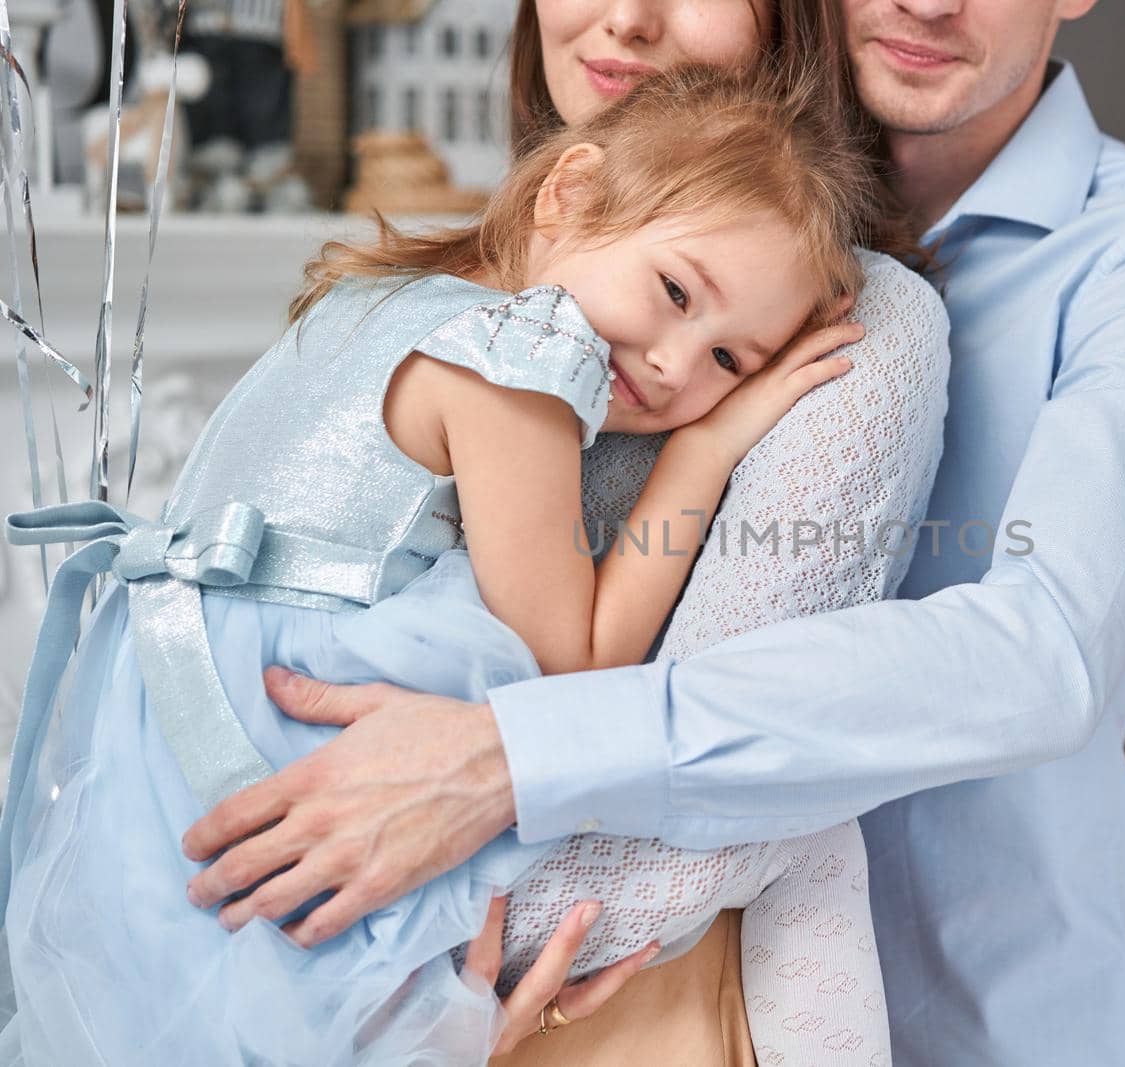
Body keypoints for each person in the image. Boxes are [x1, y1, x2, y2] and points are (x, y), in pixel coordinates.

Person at [183, 0, 1125, 1062]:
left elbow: (1043, 652)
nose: (928, 2)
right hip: (662, 979)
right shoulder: (597, 283)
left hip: (985, 998)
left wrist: (512, 762)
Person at [0, 65, 908, 1065]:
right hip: (277, 730)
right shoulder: (515, 363)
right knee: (806, 828)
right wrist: (705, 448)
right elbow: (574, 671)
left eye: (732, 361)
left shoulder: (368, 299)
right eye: (676, 291)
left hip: (156, 731)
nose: (674, 365)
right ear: (569, 193)